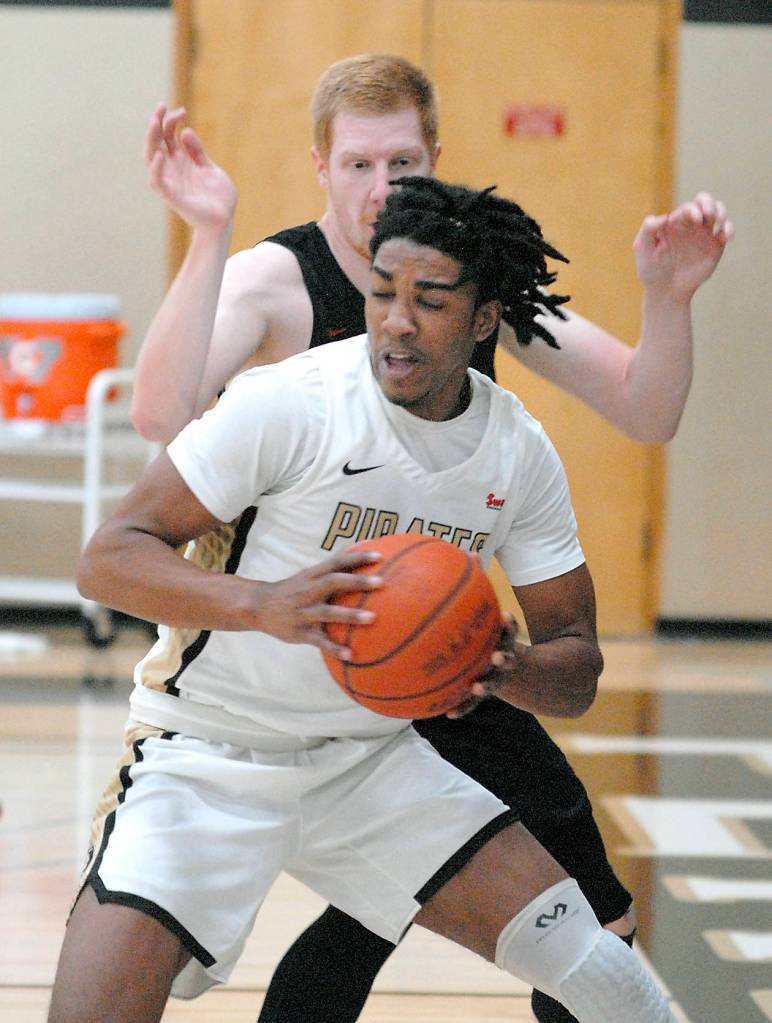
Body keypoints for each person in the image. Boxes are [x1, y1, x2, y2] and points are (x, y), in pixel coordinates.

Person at [131, 55, 733, 1023]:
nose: (381, 189)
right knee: (368, 913)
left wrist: (668, 299)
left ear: (435, 159)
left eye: (401, 164)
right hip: (293, 669)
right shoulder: (276, 280)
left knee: (582, 915)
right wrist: (207, 233)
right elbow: (158, 415)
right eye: (359, 165)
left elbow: (645, 406)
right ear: (321, 166)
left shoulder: (466, 276)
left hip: (432, 644)